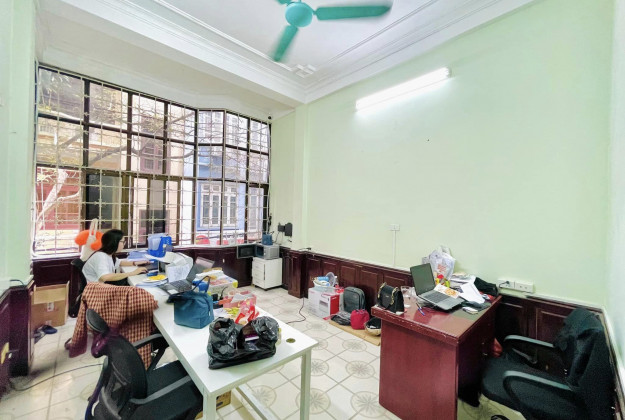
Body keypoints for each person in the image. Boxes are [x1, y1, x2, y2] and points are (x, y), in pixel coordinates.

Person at [82, 229, 148, 285]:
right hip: (95, 290)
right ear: (114, 242)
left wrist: (135, 263)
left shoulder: (108, 254)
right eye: (123, 242)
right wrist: (133, 273)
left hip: (101, 286)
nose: (124, 244)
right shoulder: (100, 256)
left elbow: (119, 262)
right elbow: (105, 277)